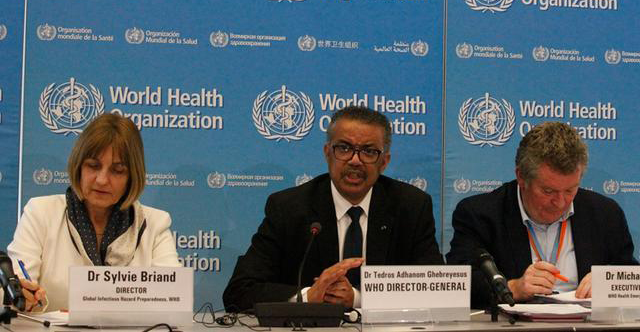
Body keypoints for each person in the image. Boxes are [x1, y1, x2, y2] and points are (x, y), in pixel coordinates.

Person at [223, 106, 443, 312]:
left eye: (368, 151)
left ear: (384, 162)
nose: (355, 160)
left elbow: (434, 290)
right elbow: (239, 291)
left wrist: (358, 298)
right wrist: (308, 296)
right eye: (344, 148)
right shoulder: (289, 207)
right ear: (327, 153)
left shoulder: (411, 206)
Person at [447, 122, 637, 308]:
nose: (560, 202)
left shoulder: (605, 213)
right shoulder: (480, 214)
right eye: (548, 191)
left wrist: (608, 283)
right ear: (521, 177)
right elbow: (459, 284)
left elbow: (631, 276)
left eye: (570, 190)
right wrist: (514, 288)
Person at [7, 113, 181, 311]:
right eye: (93, 166)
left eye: (117, 170)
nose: (102, 180)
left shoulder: (155, 224)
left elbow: (173, 301)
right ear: (79, 167)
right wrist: (21, 295)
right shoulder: (41, 213)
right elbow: (13, 291)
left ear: (132, 177)